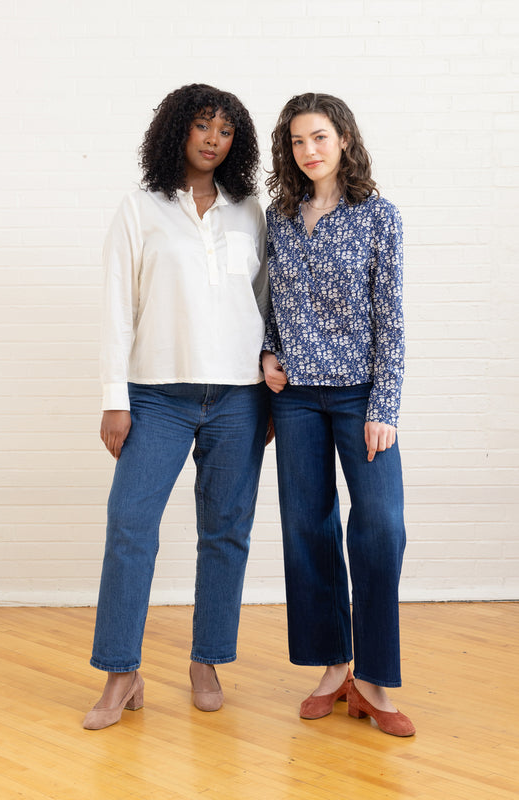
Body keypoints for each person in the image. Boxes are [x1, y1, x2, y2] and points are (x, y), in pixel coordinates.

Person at [83, 84, 270, 730]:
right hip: (156, 395)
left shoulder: (251, 211)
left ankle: (207, 660)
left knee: (226, 534)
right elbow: (115, 307)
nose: (213, 139)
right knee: (129, 525)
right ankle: (121, 672)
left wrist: (271, 392)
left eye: (225, 130)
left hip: (239, 399)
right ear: (177, 132)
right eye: (202, 126)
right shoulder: (140, 209)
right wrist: (115, 398)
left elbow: (267, 307)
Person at [261, 93, 415, 737]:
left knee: (380, 526)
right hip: (294, 396)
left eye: (319, 136)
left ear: (344, 139)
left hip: (358, 398)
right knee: (307, 526)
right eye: (297, 141)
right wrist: (269, 350)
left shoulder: (379, 217)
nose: (309, 150)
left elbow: (392, 318)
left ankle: (374, 680)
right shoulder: (277, 218)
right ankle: (332, 667)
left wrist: (384, 405)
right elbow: (270, 300)